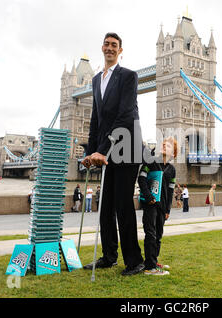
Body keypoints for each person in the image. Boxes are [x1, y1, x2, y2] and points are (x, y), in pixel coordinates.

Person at [82, 32, 144, 276]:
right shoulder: (97, 80)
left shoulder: (129, 76)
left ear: (120, 50)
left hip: (126, 147)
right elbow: (96, 119)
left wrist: (103, 150)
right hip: (106, 149)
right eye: (106, 44)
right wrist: (90, 152)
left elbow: (126, 114)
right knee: (105, 206)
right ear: (102, 48)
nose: (109, 48)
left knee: (122, 205)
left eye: (114, 45)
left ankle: (134, 261)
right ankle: (109, 256)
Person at [138, 137, 177, 276]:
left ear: (174, 153)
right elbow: (141, 178)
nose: (164, 146)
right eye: (163, 144)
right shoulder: (151, 160)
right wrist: (148, 196)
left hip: (162, 206)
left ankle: (154, 260)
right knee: (151, 234)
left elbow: (171, 190)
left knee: (159, 235)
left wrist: (168, 209)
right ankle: (150, 267)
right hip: (151, 203)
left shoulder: (172, 170)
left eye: (168, 146)